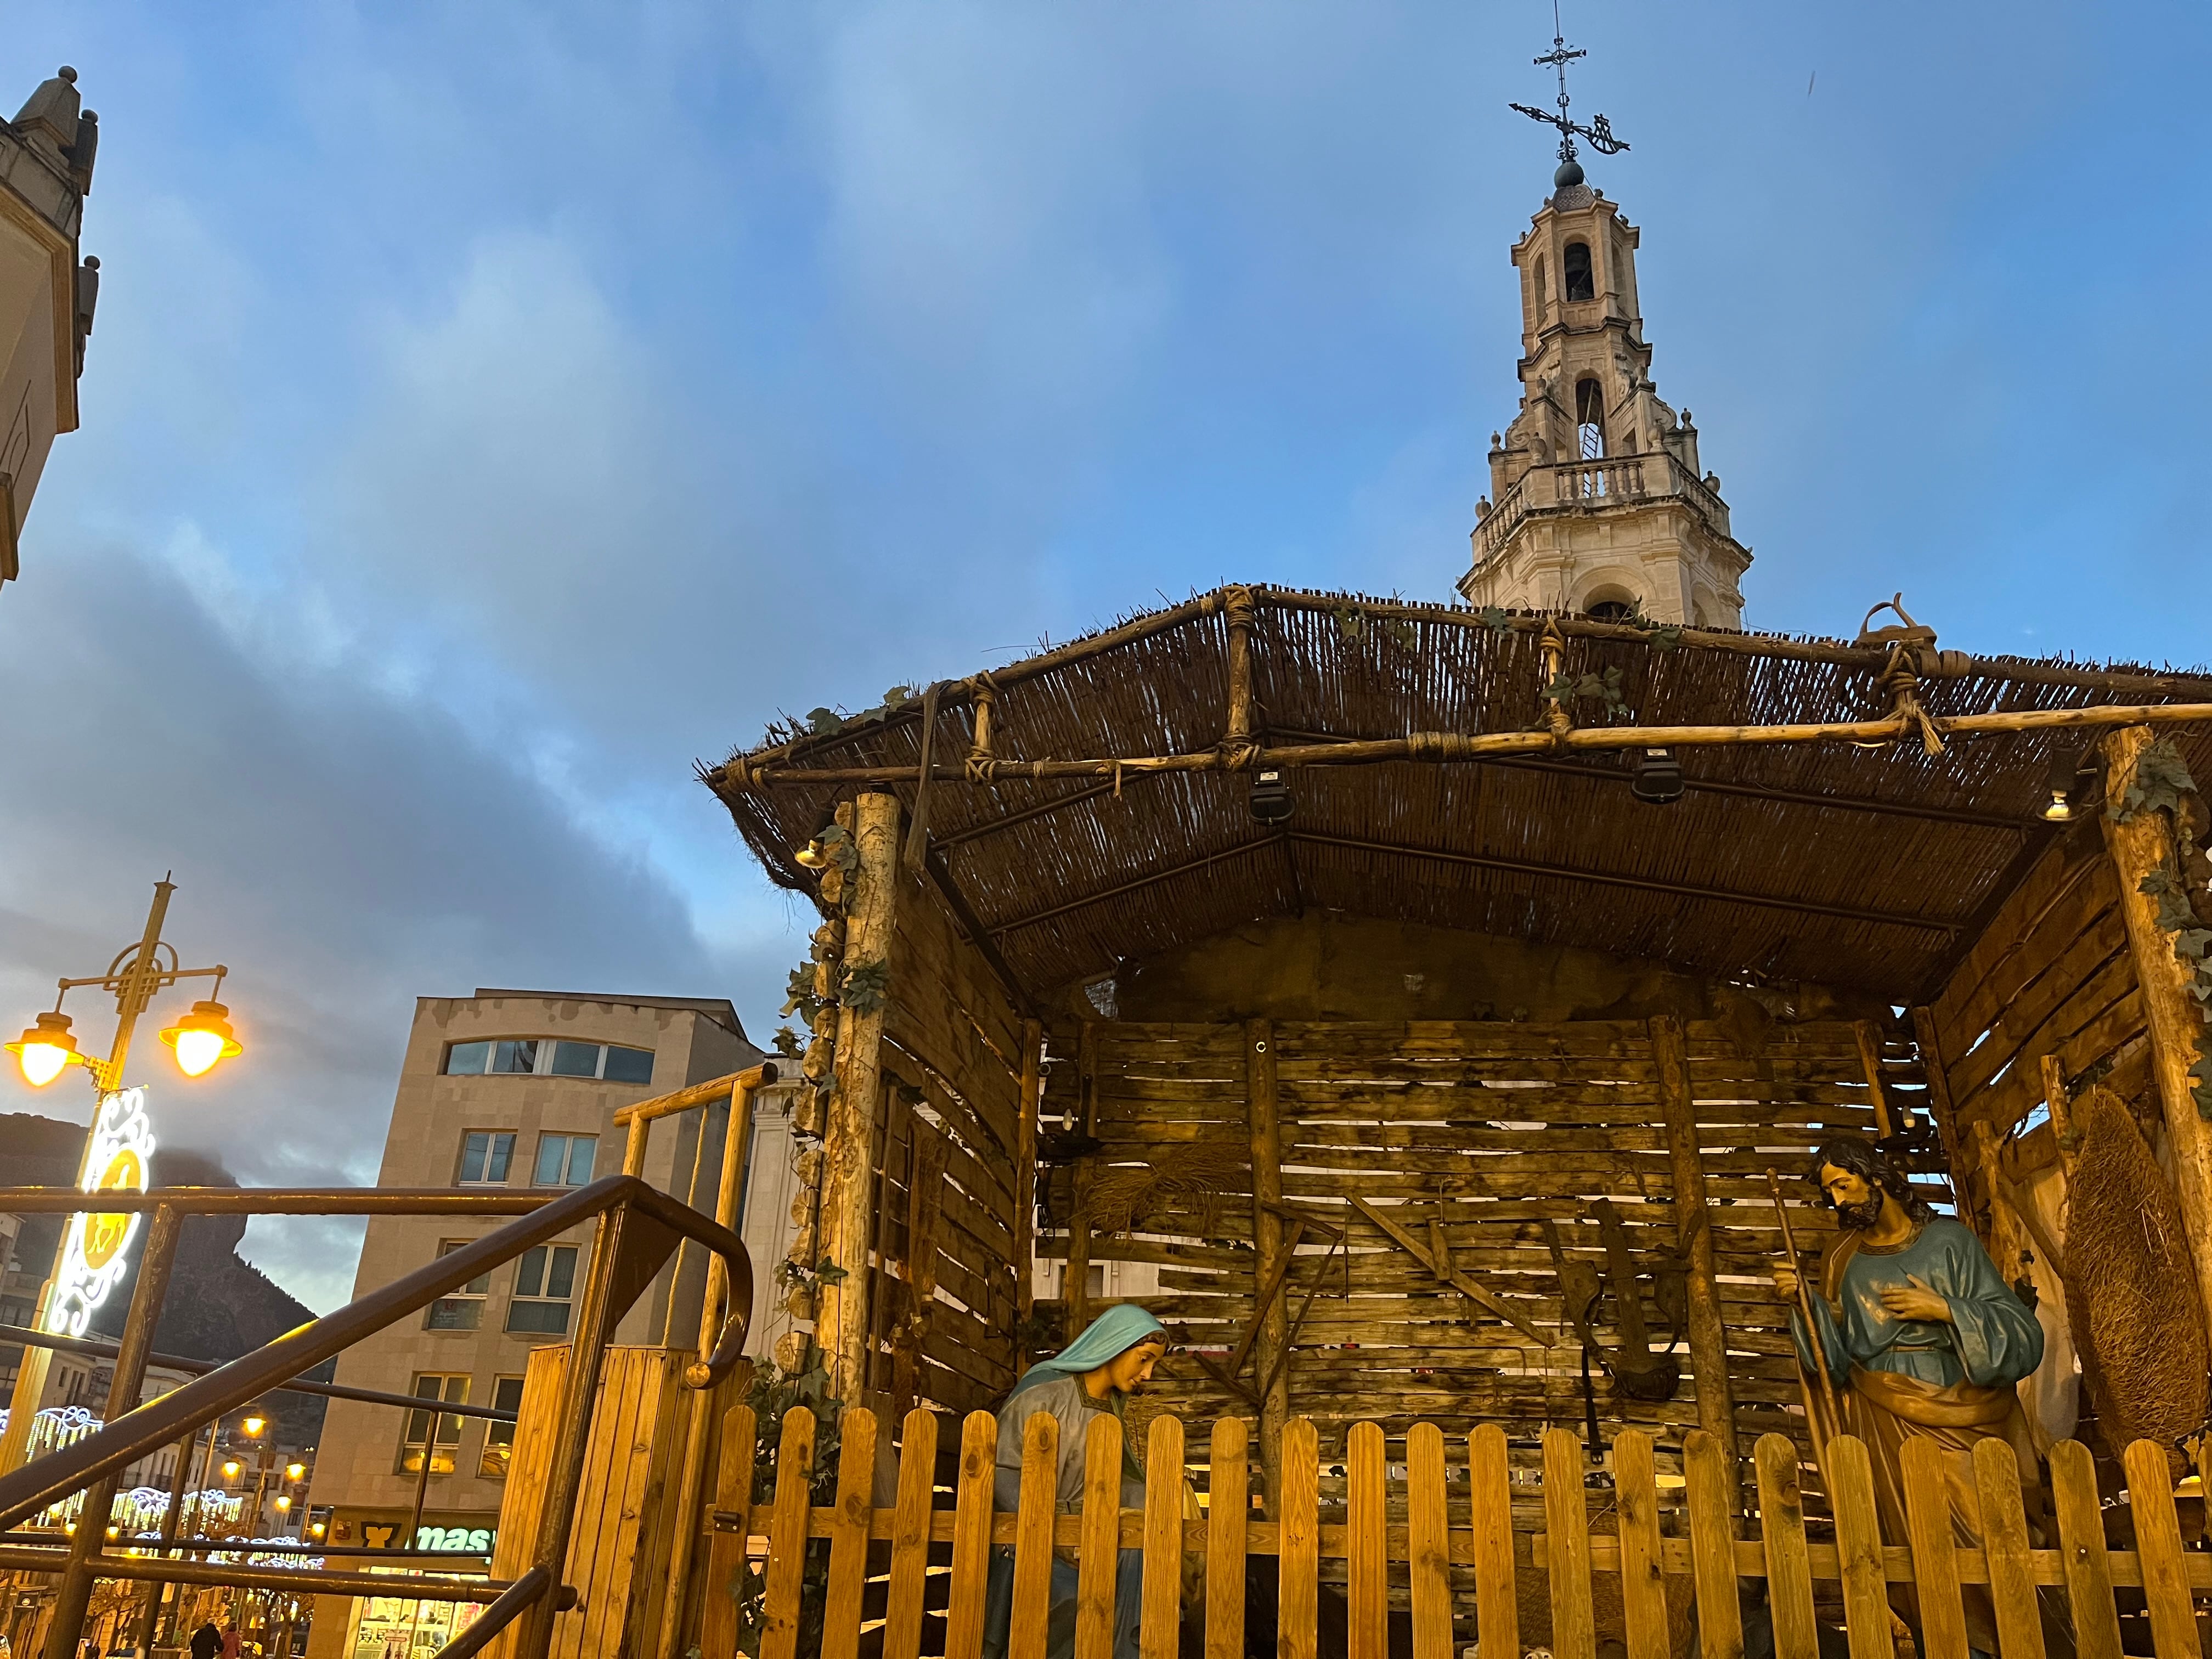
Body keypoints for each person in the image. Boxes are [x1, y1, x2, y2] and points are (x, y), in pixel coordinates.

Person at [1771, 1136, 2066, 1659]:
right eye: (1829, 1193)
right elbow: (1832, 1360)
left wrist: (1946, 1310)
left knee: (1989, 1538)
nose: (1838, 1202)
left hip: (1964, 1410)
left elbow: (2019, 1333)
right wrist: (1805, 1305)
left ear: (1877, 1179)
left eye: (1844, 1185)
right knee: (1913, 1550)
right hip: (1881, 1414)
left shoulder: (1951, 1243)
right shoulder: (1842, 1258)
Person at [980, 1304, 1169, 1659]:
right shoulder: (1043, 1395)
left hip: (1095, 1534)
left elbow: (1118, 1479)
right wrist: (1050, 1533)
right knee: (1069, 1597)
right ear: (1115, 1345)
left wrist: (1154, 1501)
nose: (1148, 1374)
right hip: (1033, 1534)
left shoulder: (1111, 1407)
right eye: (1144, 1359)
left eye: (1153, 1363)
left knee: (1144, 1576)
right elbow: (1003, 1471)